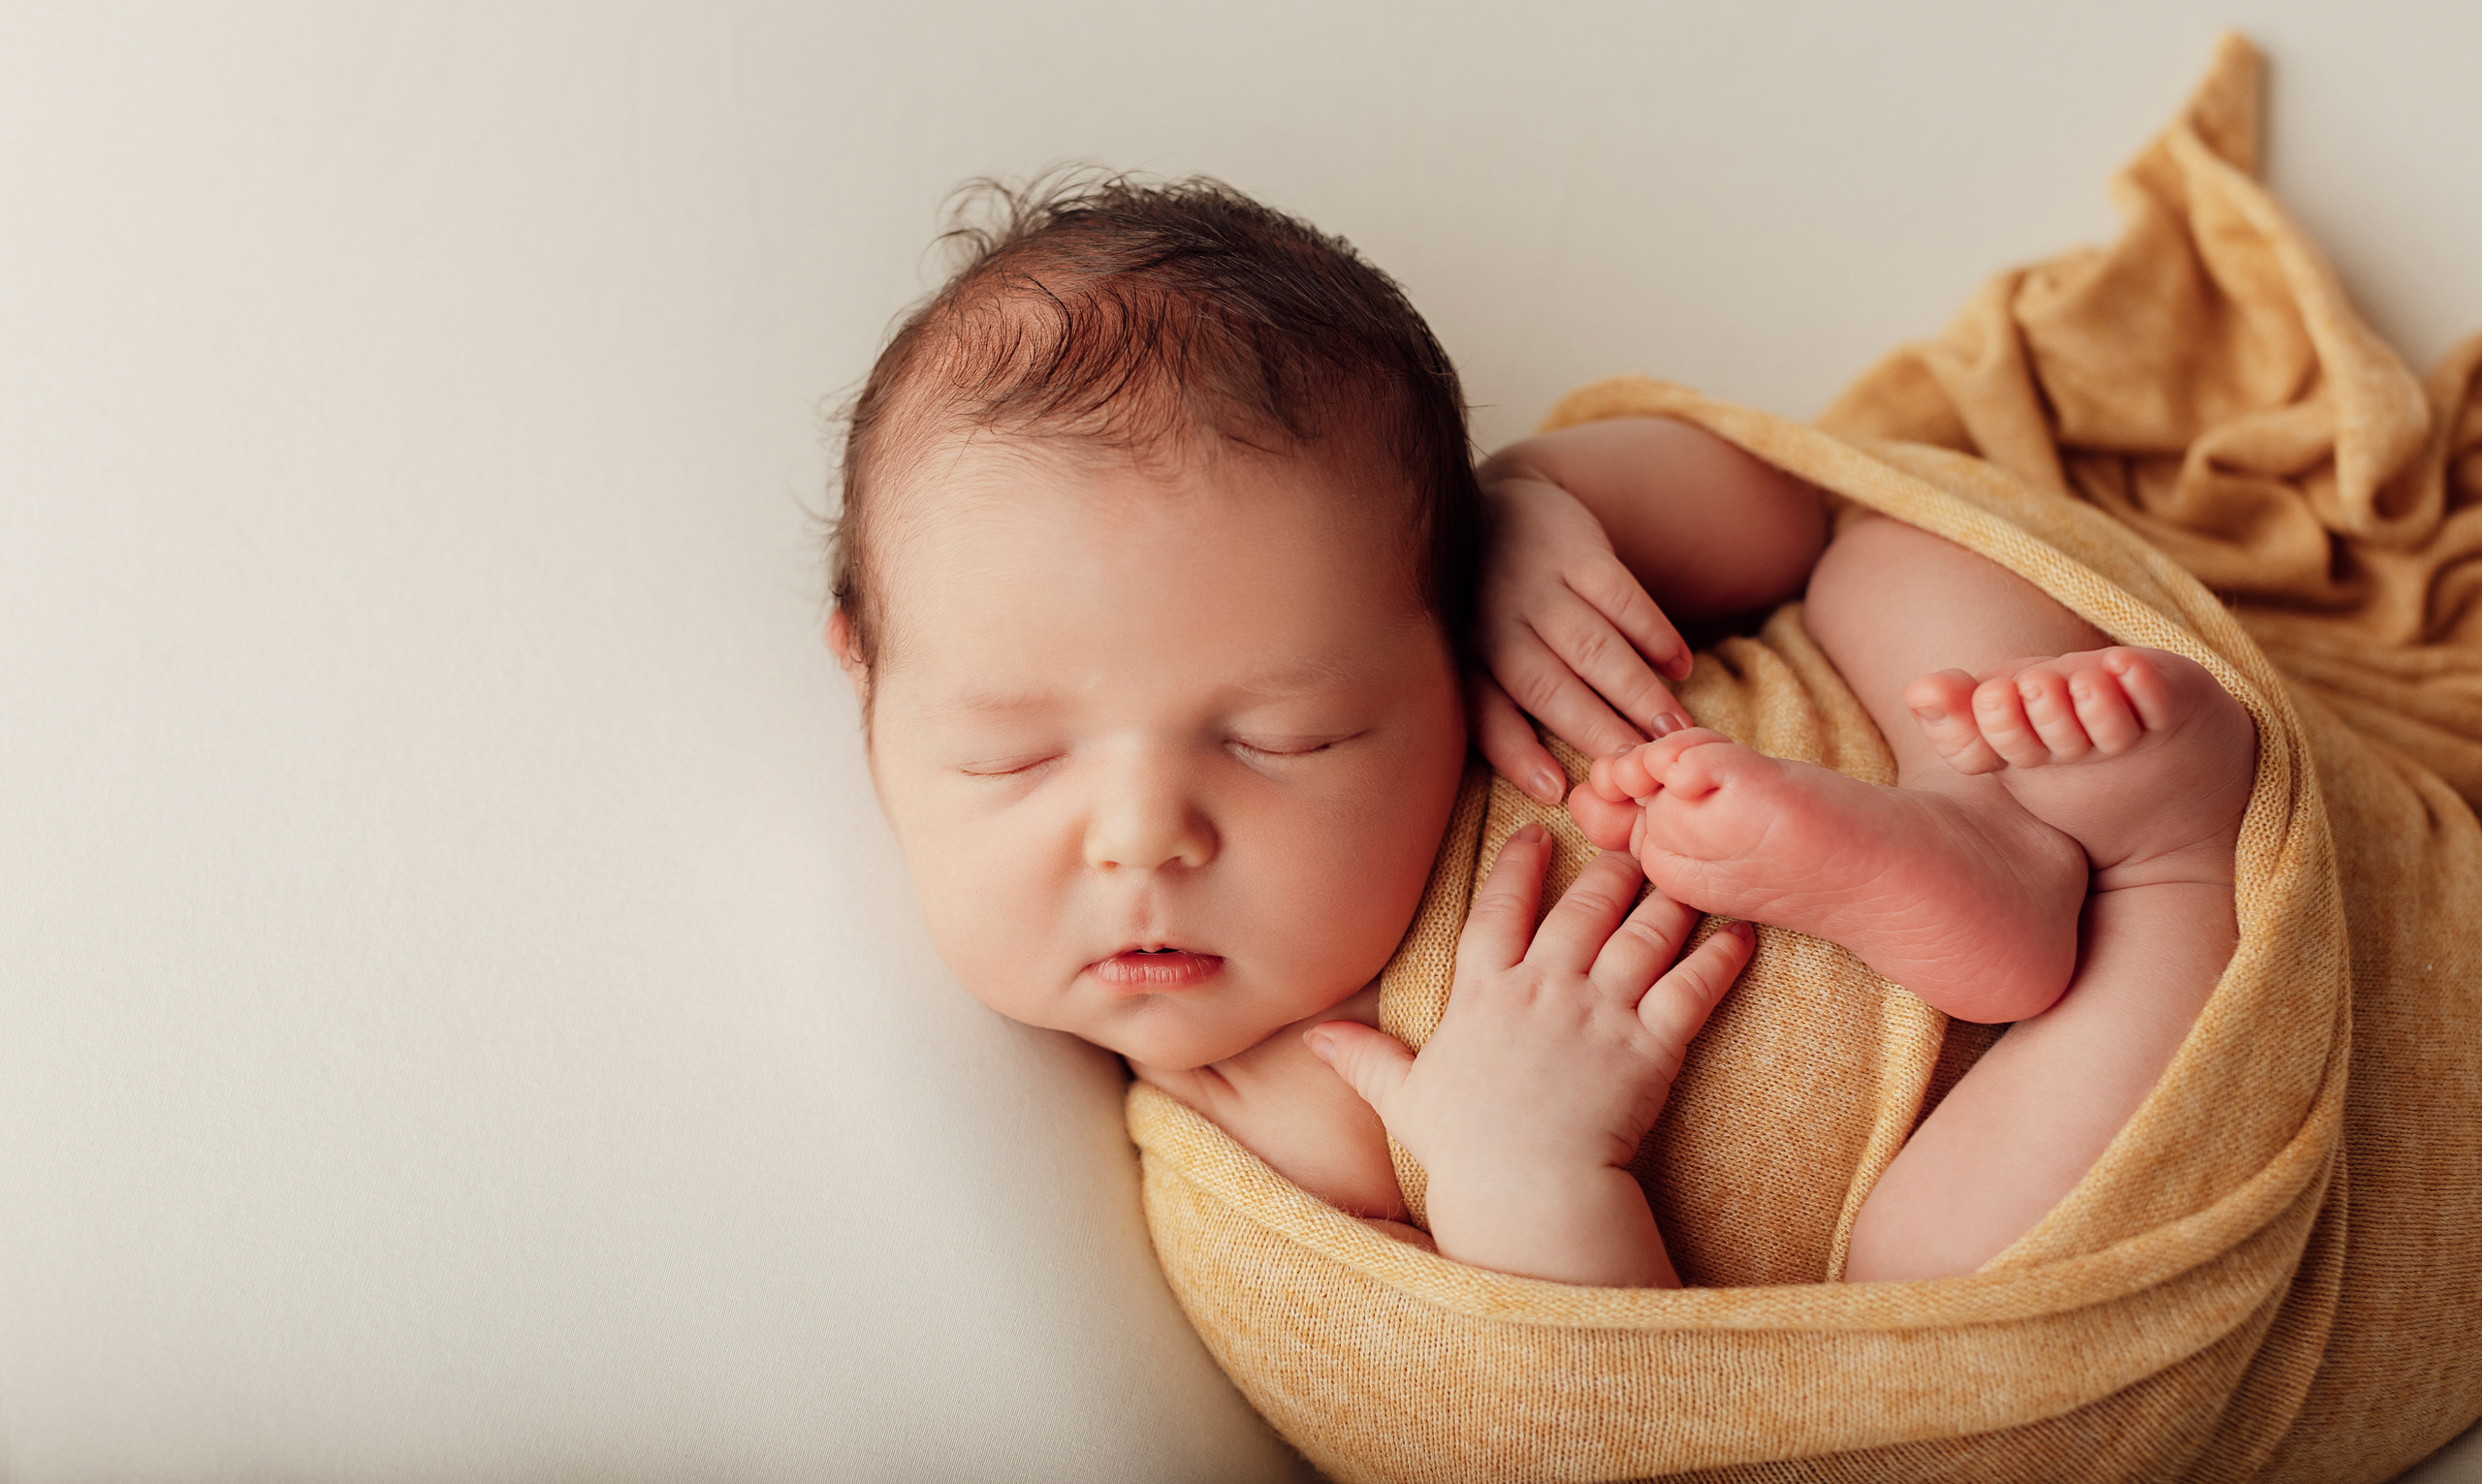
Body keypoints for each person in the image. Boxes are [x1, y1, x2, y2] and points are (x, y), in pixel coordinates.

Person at [827, 174, 2254, 1289]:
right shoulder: (1269, 1143)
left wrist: (1555, 505)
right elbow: (1595, 1408)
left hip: (1921, 758)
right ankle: (2165, 867)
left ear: (1439, 621)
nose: (1143, 836)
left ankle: (1976, 822)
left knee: (1895, 553)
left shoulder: (1491, 620)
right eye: (1014, 756)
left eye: (1288, 737)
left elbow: (1784, 513)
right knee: (1939, 1272)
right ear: (868, 688)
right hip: (1984, 1135)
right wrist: (1530, 1173)